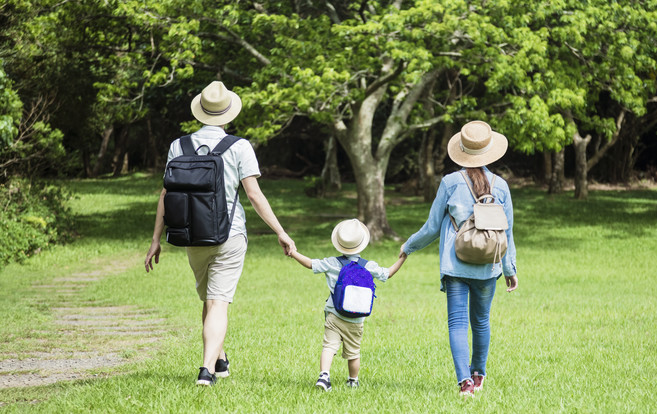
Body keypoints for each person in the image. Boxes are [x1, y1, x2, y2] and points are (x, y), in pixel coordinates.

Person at [144, 81, 296, 386]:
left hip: (191, 236)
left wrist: (156, 240)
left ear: (200, 112)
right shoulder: (239, 147)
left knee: (210, 300)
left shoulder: (179, 146)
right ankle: (206, 370)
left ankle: (220, 360)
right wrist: (280, 231)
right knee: (217, 302)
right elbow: (253, 195)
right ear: (227, 114)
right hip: (229, 235)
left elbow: (165, 194)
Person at [399, 120, 518, 396]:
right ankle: (479, 376)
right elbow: (508, 232)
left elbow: (430, 228)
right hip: (489, 265)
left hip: (455, 265)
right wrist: (509, 268)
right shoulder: (501, 186)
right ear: (489, 150)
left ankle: (464, 383)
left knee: (457, 323)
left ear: (462, 150)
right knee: (481, 322)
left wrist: (408, 246)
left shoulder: (450, 182)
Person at [289, 219, 406, 391]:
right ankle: (353, 380)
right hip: (356, 319)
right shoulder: (369, 266)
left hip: (334, 314)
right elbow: (387, 274)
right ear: (362, 245)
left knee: (329, 346)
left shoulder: (331, 262)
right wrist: (403, 257)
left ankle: (324, 375)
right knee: (354, 352)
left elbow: (310, 264)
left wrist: (293, 253)